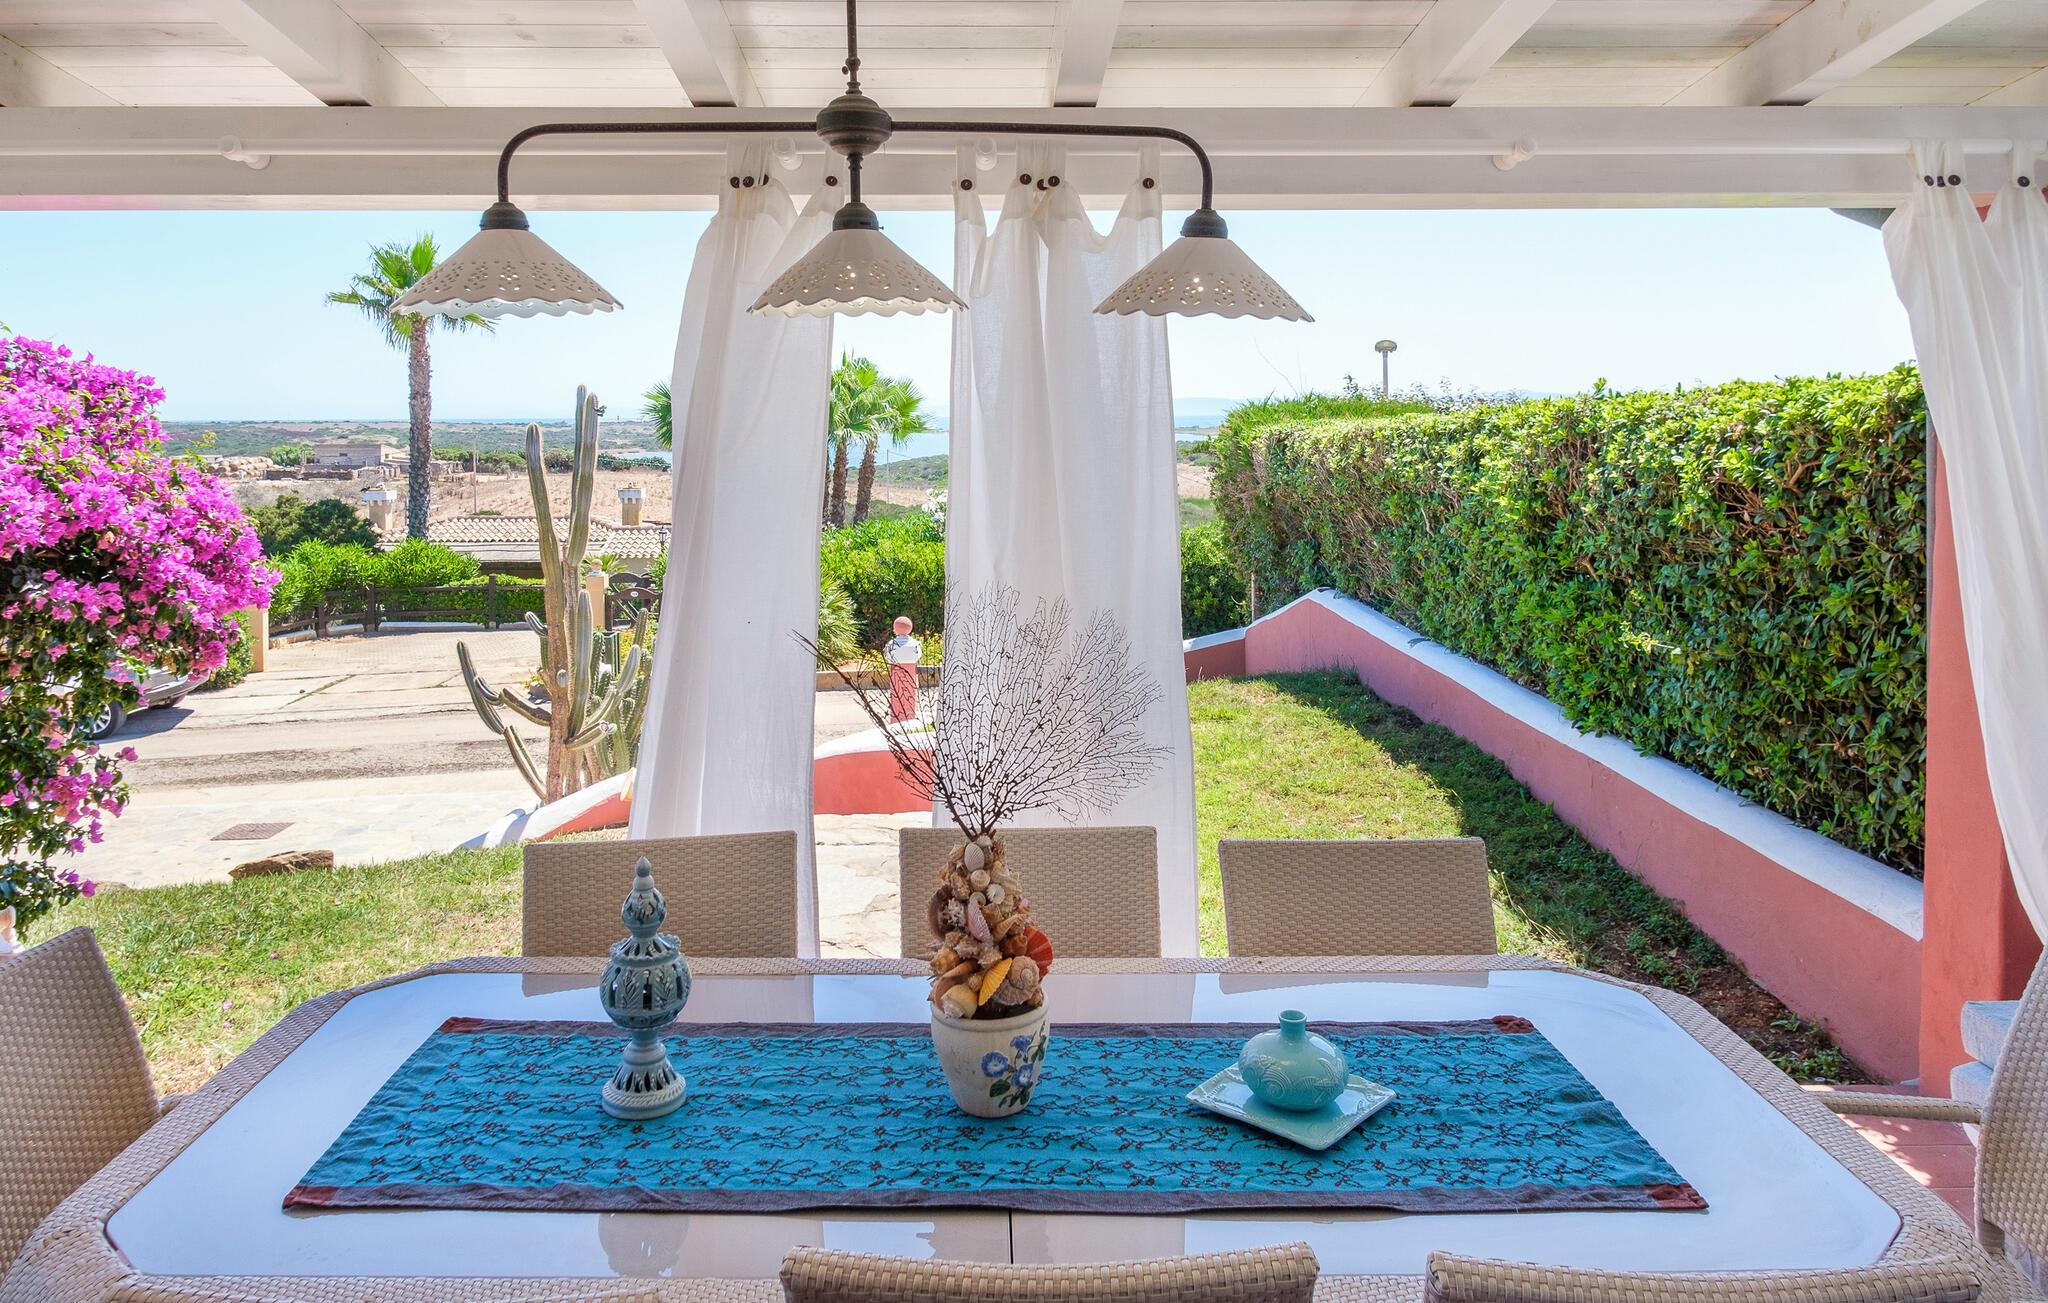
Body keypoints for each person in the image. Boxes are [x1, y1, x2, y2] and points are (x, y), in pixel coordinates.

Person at [883, 615, 922, 722]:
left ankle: (897, 718)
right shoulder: (915, 644)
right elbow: (918, 655)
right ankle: (910, 717)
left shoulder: (891, 645)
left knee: (898, 695)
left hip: (895, 672)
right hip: (911, 673)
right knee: (910, 695)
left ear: (895, 628)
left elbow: (888, 656)